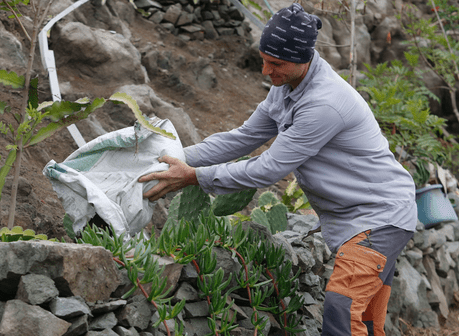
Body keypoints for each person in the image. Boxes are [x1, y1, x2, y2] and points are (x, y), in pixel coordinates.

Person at [138, 3, 417, 336]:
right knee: (366, 322)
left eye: (277, 64)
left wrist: (194, 176)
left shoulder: (324, 103)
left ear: (303, 59)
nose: (266, 72)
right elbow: (242, 139)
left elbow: (267, 169)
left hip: (379, 219)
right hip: (370, 217)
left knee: (343, 309)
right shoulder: (286, 88)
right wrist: (171, 158)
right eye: (264, 60)